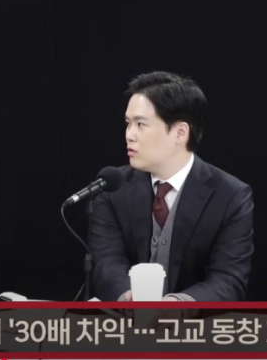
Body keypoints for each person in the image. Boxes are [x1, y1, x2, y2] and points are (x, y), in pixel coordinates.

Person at [91, 71, 254, 302]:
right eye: (128, 123)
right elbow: (107, 263)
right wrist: (128, 297)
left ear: (180, 133)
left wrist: (177, 304)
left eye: (140, 124)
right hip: (127, 319)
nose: (129, 135)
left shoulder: (231, 196)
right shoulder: (112, 187)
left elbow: (229, 279)